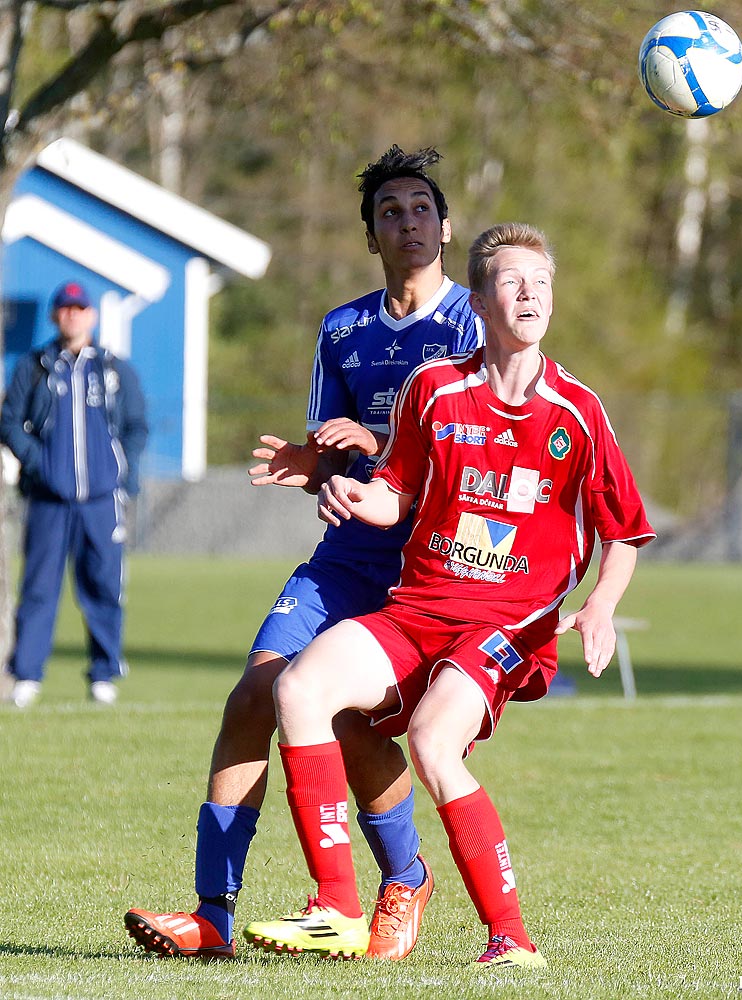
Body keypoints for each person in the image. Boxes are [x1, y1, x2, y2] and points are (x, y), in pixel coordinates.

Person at [240, 222, 655, 967]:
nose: (530, 294)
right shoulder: (431, 390)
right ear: (482, 300)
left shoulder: (578, 413)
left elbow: (622, 528)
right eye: (513, 281)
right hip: (418, 607)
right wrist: (347, 492)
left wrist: (600, 605)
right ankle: (336, 906)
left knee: (434, 741)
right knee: (300, 690)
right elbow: (395, 493)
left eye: (542, 283)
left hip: (508, 621)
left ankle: (512, 939)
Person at [124, 146, 483, 960]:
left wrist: (381, 439)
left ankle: (405, 880)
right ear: (371, 235)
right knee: (254, 695)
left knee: (352, 725)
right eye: (390, 211)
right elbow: (337, 454)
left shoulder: (470, 324)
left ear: (447, 225)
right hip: (347, 557)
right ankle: (212, 914)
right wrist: (313, 465)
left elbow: (480, 451)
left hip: (433, 566)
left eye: (422, 207)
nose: (408, 222)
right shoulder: (343, 328)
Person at [0, 281, 148, 708]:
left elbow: (136, 426)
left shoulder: (113, 369)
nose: (72, 315)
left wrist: (122, 472)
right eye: (64, 308)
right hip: (49, 500)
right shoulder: (36, 367)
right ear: (54, 316)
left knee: (103, 585)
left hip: (101, 500)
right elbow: (10, 423)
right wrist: (40, 464)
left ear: (92, 316)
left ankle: (104, 673)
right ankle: (27, 675)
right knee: (39, 587)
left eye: (79, 308)